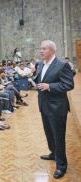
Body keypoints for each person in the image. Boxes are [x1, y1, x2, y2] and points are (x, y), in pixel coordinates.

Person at [34, 40, 74, 179]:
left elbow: (68, 84)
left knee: (58, 136)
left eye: (44, 48)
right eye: (40, 48)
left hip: (57, 108)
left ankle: (61, 165)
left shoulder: (62, 65)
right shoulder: (40, 64)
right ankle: (53, 153)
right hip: (44, 105)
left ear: (52, 50)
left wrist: (50, 86)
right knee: (49, 133)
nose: (41, 51)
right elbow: (41, 79)